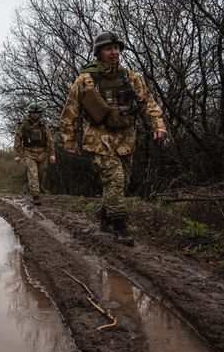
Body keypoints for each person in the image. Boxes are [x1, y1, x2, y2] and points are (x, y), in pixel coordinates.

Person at [59, 31, 167, 246]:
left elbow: (147, 102)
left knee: (123, 182)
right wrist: (69, 141)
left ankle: (105, 215)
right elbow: (69, 112)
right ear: (99, 52)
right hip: (99, 139)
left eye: (117, 48)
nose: (114, 52)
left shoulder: (129, 77)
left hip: (125, 138)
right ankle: (120, 226)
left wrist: (158, 124)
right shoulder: (85, 80)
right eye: (109, 48)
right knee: (115, 180)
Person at [13, 103, 56, 205]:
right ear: (30, 113)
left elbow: (50, 140)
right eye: (33, 112)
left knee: (41, 175)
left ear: (39, 113)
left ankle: (36, 189)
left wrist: (52, 154)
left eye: (37, 112)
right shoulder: (23, 125)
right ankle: (35, 196)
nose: (35, 114)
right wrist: (17, 155)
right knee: (33, 174)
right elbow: (17, 139)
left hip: (42, 153)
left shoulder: (44, 124)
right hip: (28, 153)